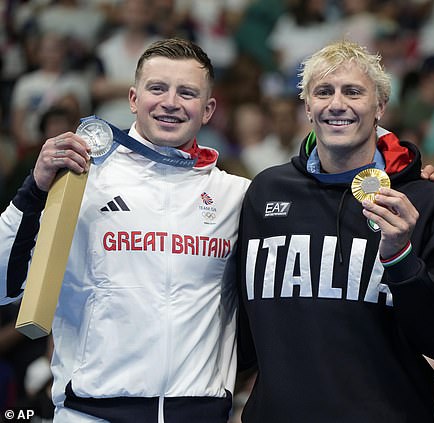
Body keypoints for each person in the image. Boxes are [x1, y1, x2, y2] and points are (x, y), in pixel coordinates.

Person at [0, 38, 251, 422]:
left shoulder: (235, 196)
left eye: (187, 92)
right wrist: (34, 191)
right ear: (133, 99)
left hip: (200, 414)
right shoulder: (81, 180)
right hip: (92, 413)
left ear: (208, 109)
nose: (170, 102)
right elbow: (3, 284)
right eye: (157, 88)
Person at [236, 40, 434, 422]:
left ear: (380, 107)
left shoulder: (428, 200)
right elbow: (242, 335)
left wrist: (401, 258)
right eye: (323, 92)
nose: (337, 104)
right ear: (308, 106)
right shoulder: (265, 193)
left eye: (353, 92)